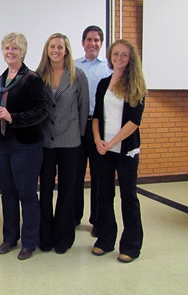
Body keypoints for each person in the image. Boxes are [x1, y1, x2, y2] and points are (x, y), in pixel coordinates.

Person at [0, 33, 47, 260]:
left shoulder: (32, 79)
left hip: (26, 146)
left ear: (23, 52)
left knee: (26, 194)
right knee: (7, 194)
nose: (10, 52)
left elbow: (41, 111)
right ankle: (10, 238)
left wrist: (13, 117)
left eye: (15, 49)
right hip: (1, 147)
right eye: (7, 48)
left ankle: (29, 242)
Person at [91, 39, 146, 263]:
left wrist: (112, 140)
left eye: (124, 55)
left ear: (130, 58)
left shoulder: (137, 85)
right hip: (103, 149)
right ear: (110, 56)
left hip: (125, 150)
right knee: (104, 195)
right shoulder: (104, 83)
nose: (119, 58)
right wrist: (97, 140)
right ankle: (105, 240)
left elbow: (134, 122)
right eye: (116, 54)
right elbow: (96, 117)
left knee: (128, 197)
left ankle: (131, 245)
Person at [36, 33, 89, 254]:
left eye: (60, 46)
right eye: (52, 46)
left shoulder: (78, 76)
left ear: (66, 50)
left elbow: (83, 108)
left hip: (70, 142)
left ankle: (63, 237)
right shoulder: (38, 75)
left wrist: (80, 137)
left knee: (67, 191)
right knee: (45, 190)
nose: (56, 50)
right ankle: (45, 236)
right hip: (45, 142)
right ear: (47, 49)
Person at [74, 25, 112, 236]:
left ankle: (97, 219)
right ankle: (74, 216)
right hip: (78, 125)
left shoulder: (109, 67)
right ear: (82, 43)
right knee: (76, 174)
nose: (93, 43)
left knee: (99, 175)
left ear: (101, 43)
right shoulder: (73, 66)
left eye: (97, 40)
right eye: (89, 39)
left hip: (100, 127)